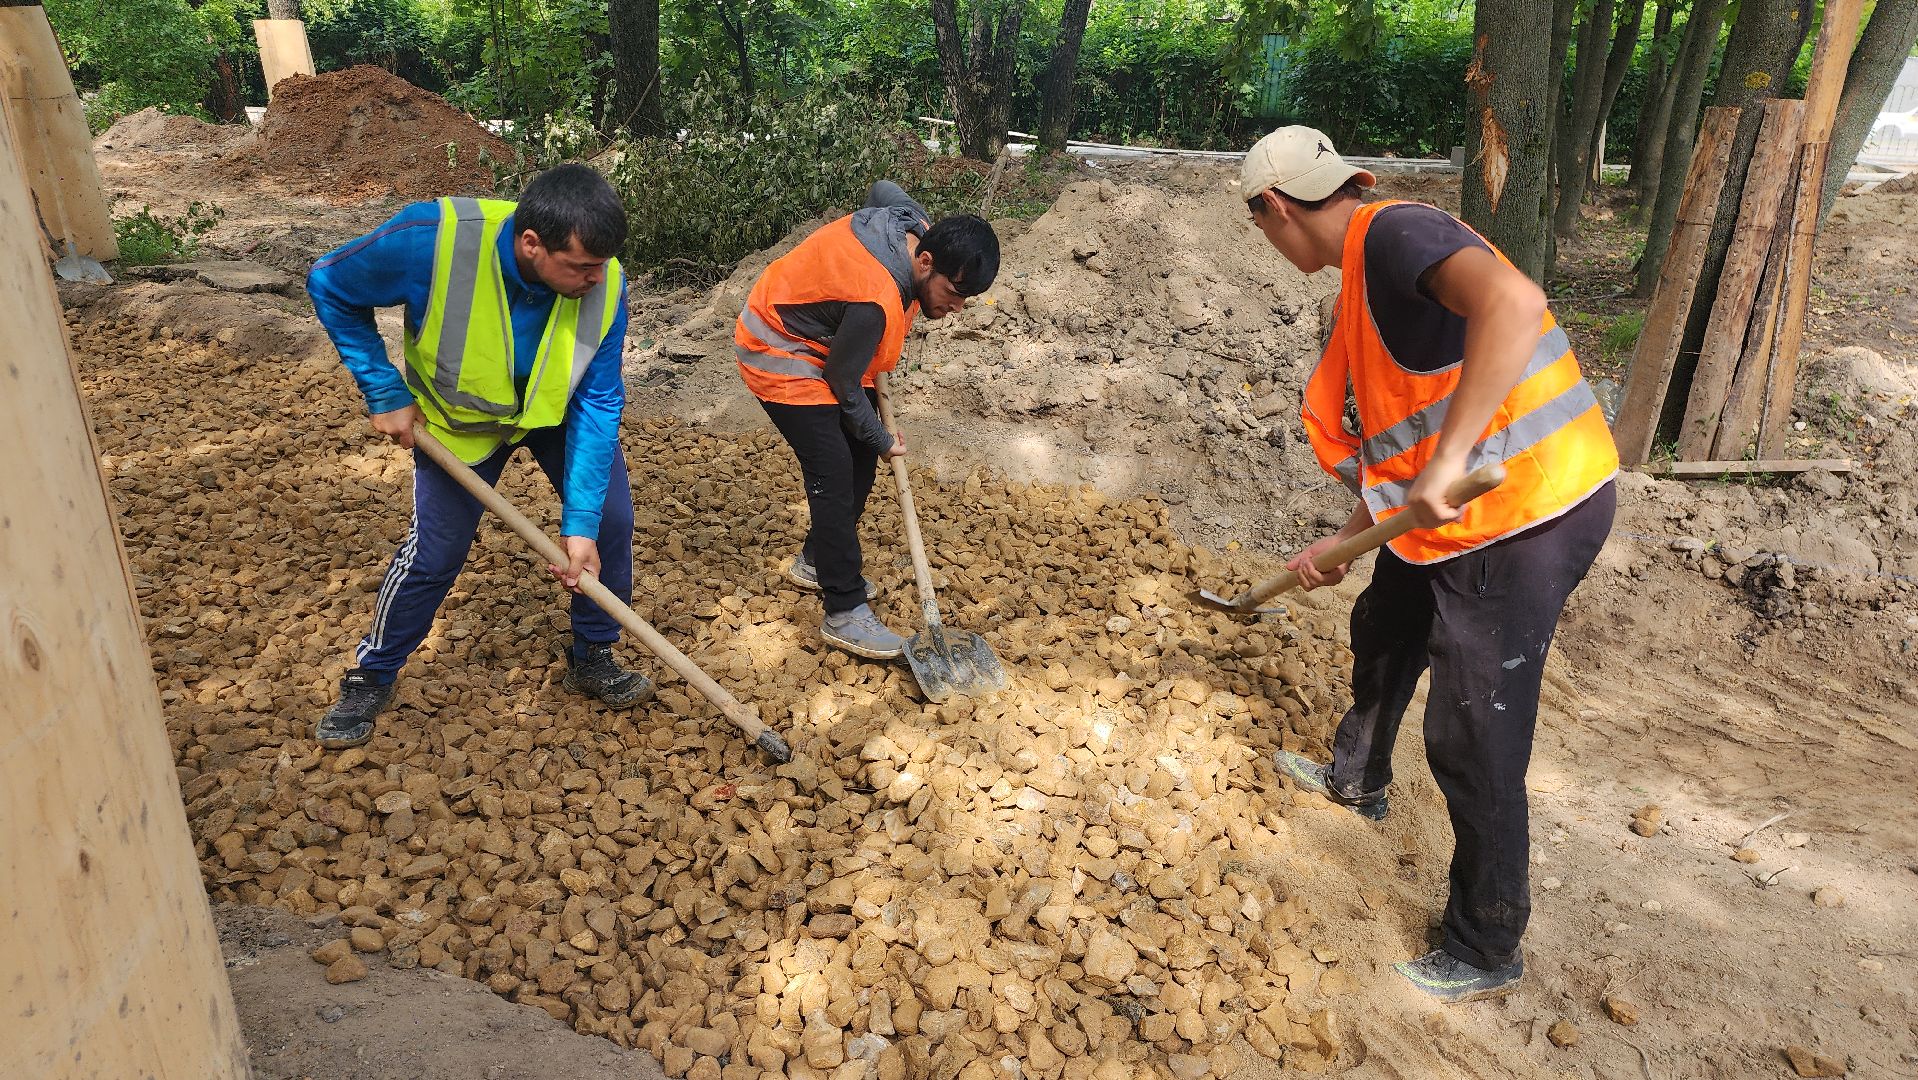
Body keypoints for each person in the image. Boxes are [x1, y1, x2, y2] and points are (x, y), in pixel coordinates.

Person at [1242, 127, 1619, 1002]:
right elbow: (1403, 444)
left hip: (1522, 512)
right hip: (1451, 515)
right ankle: (1359, 776)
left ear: (1274, 208)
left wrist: (1448, 466)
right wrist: (1344, 539)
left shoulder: (1395, 234)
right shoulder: (1363, 280)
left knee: (1475, 733)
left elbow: (1516, 307)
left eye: (1258, 224)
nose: (1264, 238)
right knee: (1386, 622)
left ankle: (1486, 945)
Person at [306, 163, 653, 750]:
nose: (597, 278)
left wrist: (580, 527)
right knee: (436, 552)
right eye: (580, 267)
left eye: (603, 265)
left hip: (552, 416)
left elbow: (599, 400)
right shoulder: (432, 240)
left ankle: (593, 652)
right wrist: (383, 387)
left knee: (611, 523)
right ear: (531, 243)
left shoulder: (606, 282)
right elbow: (329, 284)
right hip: (459, 427)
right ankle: (372, 672)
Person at [734, 181, 999, 658]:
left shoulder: (911, 224)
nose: (957, 307)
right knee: (833, 467)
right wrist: (882, 437)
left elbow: (883, 190)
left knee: (858, 457)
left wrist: (870, 440)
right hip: (778, 346)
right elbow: (843, 381)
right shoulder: (874, 300)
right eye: (955, 293)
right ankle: (844, 611)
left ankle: (818, 560)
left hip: (825, 337)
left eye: (967, 298)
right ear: (925, 263)